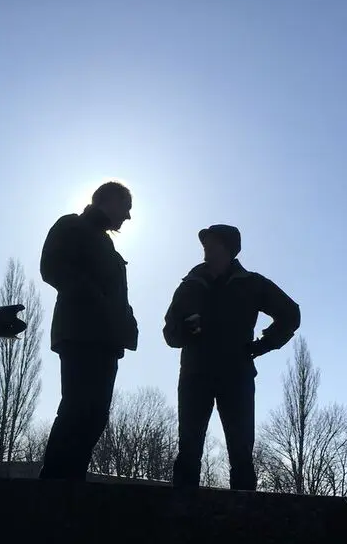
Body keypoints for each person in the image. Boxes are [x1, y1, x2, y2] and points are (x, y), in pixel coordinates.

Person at [162, 224, 300, 490]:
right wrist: (187, 331)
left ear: (229, 249)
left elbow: (291, 314)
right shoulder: (190, 285)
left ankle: (245, 521)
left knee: (241, 453)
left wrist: (263, 345)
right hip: (194, 375)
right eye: (205, 244)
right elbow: (170, 334)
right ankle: (180, 517)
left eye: (213, 243)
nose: (207, 248)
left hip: (236, 375)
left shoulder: (252, 284)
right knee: (188, 450)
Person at [38, 181, 139, 480]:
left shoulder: (106, 244)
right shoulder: (72, 225)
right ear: (109, 201)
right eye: (127, 208)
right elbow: (52, 267)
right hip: (81, 333)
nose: (129, 217)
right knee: (77, 408)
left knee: (95, 416)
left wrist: (126, 320)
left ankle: (72, 482)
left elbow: (115, 293)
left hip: (106, 340)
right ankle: (53, 484)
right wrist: (96, 300)